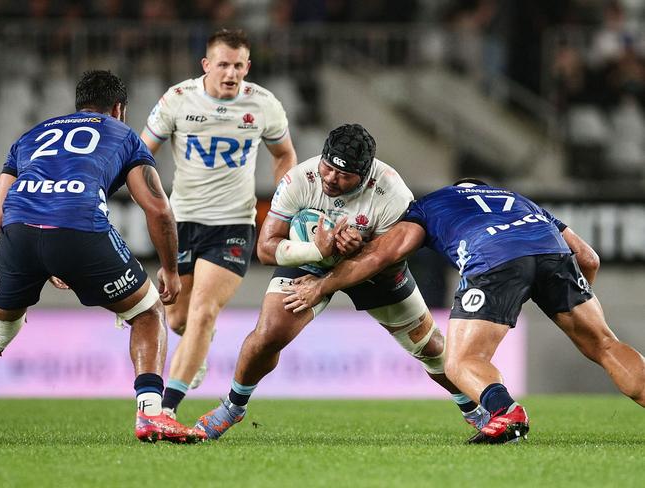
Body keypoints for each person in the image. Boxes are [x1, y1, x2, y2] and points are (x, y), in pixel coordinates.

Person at [283, 178, 645, 444]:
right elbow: (589, 258)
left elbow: (382, 256)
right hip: (554, 256)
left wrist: (322, 284)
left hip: (493, 259)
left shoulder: (429, 205)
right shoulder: (519, 200)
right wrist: (576, 297)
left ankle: (504, 413)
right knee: (605, 345)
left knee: (458, 362)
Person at [194, 124, 489, 440]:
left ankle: (476, 411)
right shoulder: (300, 180)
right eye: (328, 166)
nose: (331, 178)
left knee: (429, 346)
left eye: (344, 174)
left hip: (372, 270)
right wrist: (316, 250)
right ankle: (232, 407)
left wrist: (359, 249)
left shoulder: (392, 194)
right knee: (268, 334)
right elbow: (266, 249)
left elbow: (387, 263)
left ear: (365, 175)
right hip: (311, 262)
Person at [0, 70, 206, 444]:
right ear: (120, 108)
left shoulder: (30, 135)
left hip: (18, 233)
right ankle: (152, 416)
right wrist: (171, 271)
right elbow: (158, 210)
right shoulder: (122, 135)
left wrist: (45, 258)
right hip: (79, 224)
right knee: (146, 312)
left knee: (1, 328)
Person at [140, 28, 297, 418]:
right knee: (177, 316)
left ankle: (167, 410)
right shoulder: (178, 100)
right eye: (223, 64)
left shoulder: (263, 104)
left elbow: (284, 155)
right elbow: (141, 153)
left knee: (203, 310)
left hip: (233, 224)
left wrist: (283, 205)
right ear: (206, 65)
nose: (231, 73)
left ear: (248, 66)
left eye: (238, 65)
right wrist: (153, 201)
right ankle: (199, 348)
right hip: (183, 222)